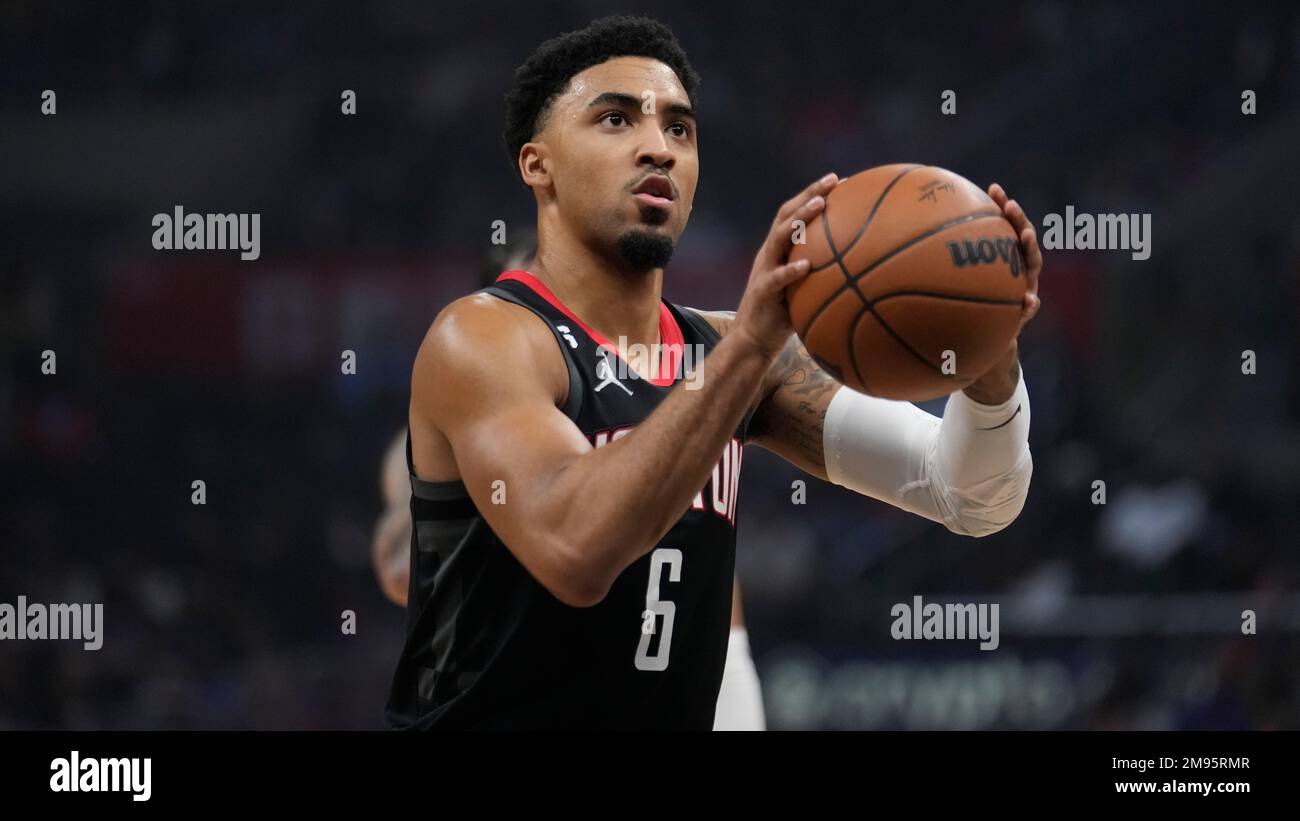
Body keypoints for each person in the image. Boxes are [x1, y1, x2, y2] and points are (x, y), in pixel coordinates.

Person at [388, 15, 1040, 730]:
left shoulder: (734, 356)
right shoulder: (482, 338)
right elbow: (577, 550)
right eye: (614, 119)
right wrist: (750, 346)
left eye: (680, 128)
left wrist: (987, 363)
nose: (657, 148)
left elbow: (969, 497)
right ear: (537, 164)